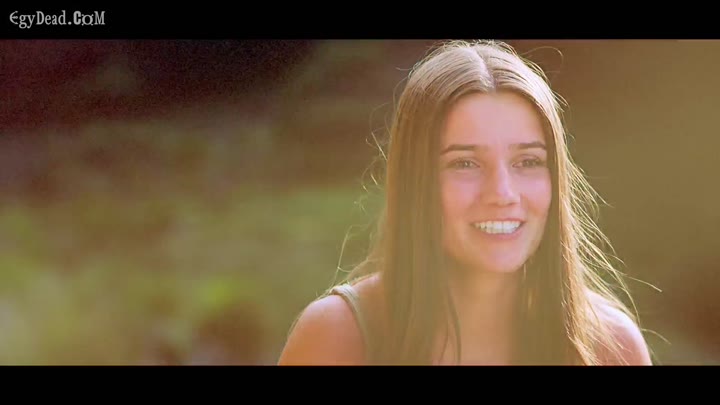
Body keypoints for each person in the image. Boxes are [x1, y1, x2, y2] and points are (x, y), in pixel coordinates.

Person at [277, 39, 653, 365]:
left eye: (527, 162)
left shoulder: (611, 346)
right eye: (465, 163)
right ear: (416, 179)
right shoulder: (336, 338)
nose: (502, 193)